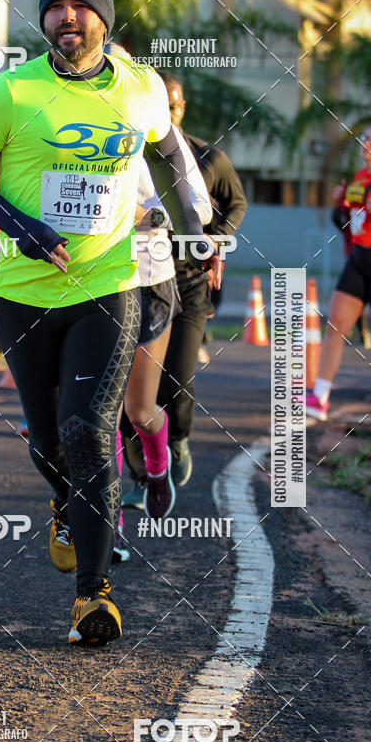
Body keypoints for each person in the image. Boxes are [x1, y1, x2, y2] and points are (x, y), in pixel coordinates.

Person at [0, 0, 218, 647]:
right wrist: (24, 228)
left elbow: (174, 155)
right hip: (24, 294)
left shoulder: (141, 89)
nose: (67, 17)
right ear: (43, 19)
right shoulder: (11, 91)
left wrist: (199, 225)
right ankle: (66, 502)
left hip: (108, 287)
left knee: (88, 431)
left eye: (81, 6)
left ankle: (93, 596)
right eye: (55, 7)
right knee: (47, 441)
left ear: (104, 18)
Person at [122, 72, 246, 507]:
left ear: (182, 108)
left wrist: (215, 240)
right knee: (130, 392)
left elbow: (236, 203)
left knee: (177, 376)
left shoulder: (207, 157)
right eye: (162, 105)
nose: (168, 112)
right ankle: (141, 476)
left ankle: (177, 438)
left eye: (173, 106)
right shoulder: (129, 151)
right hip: (142, 276)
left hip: (190, 280)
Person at [306, 125, 371, 421]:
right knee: (335, 324)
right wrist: (341, 205)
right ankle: (320, 396)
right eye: (365, 138)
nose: (366, 143)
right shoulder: (360, 177)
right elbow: (348, 222)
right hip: (359, 258)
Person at [331, 177, 371, 349]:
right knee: (355, 299)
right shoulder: (353, 202)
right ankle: (363, 332)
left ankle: (364, 332)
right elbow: (336, 216)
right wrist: (340, 200)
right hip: (355, 254)